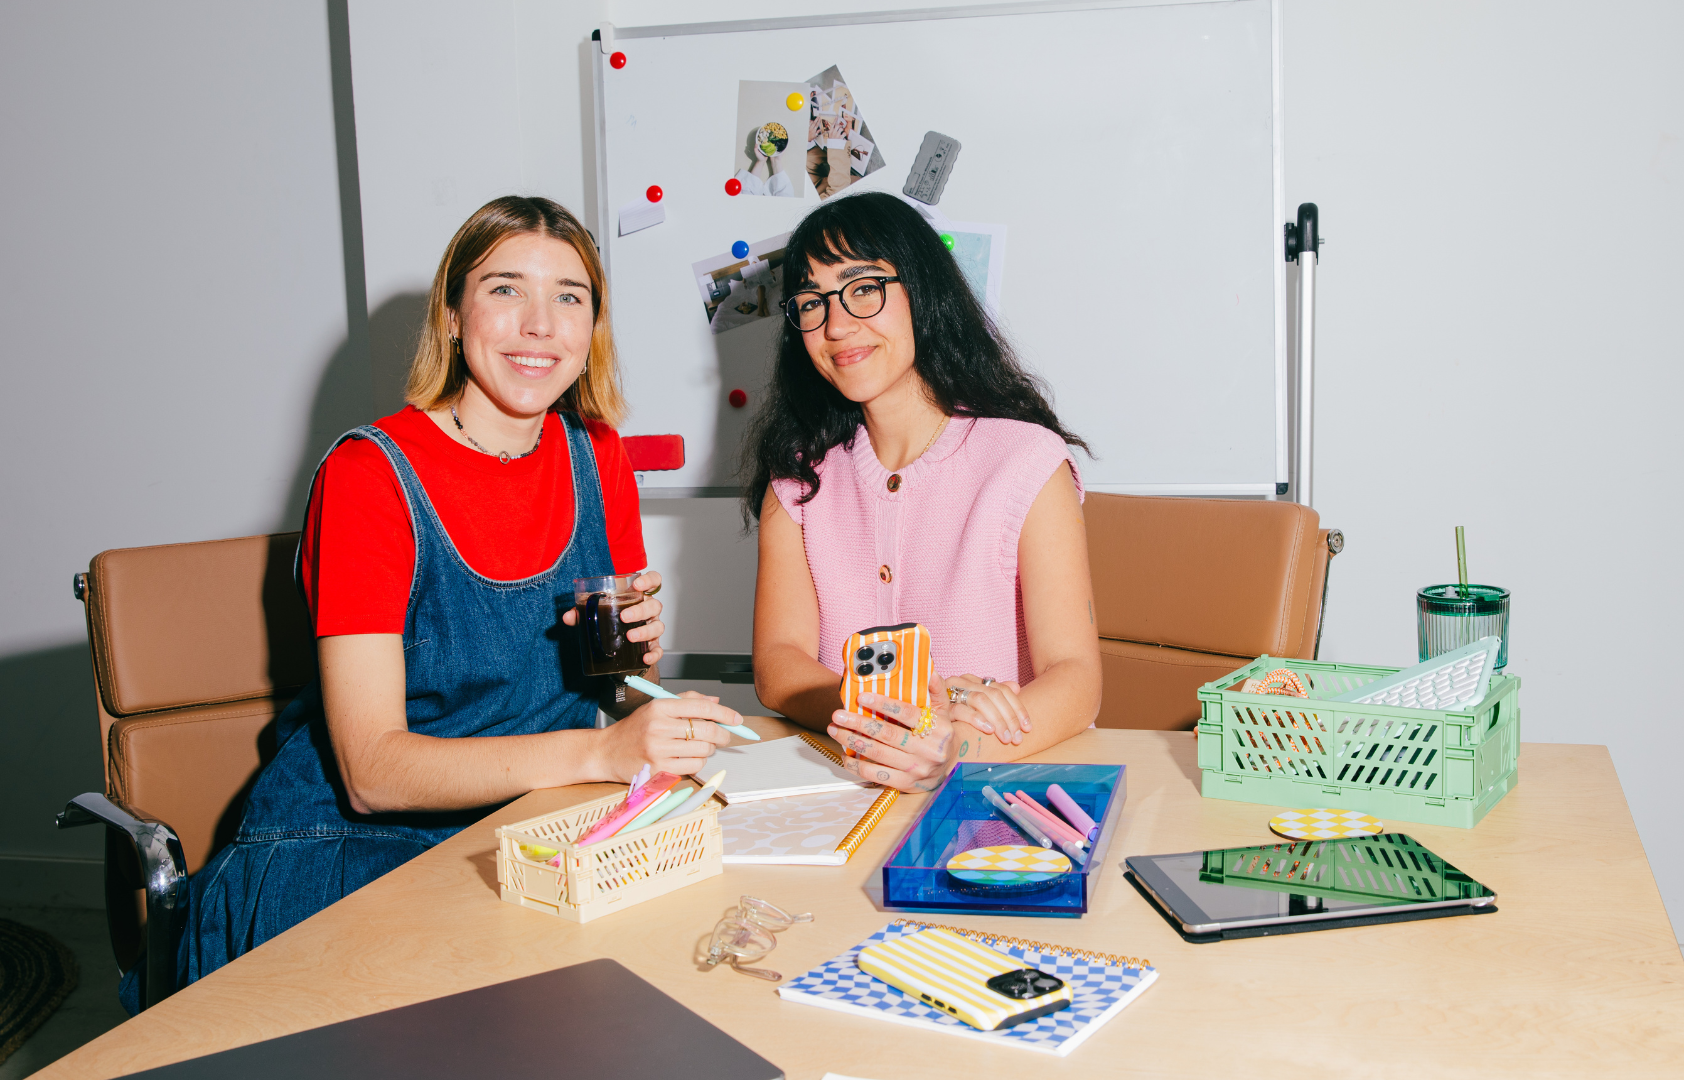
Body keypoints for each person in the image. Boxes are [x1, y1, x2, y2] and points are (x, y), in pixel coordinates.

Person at [124, 196, 742, 1011]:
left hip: (528, 827)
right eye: (505, 289)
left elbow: (619, 693)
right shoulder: (368, 476)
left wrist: (633, 665)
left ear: (591, 326)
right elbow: (373, 773)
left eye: (569, 297)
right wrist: (601, 752)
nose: (539, 324)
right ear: (452, 316)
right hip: (356, 848)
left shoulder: (596, 454)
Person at [746, 192, 1102, 794]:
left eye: (864, 288)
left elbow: (1076, 679)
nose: (836, 325)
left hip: (996, 786)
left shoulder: (1027, 461)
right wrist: (887, 721)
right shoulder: (798, 482)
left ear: (922, 291)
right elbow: (778, 665)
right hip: (843, 792)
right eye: (811, 302)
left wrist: (951, 746)